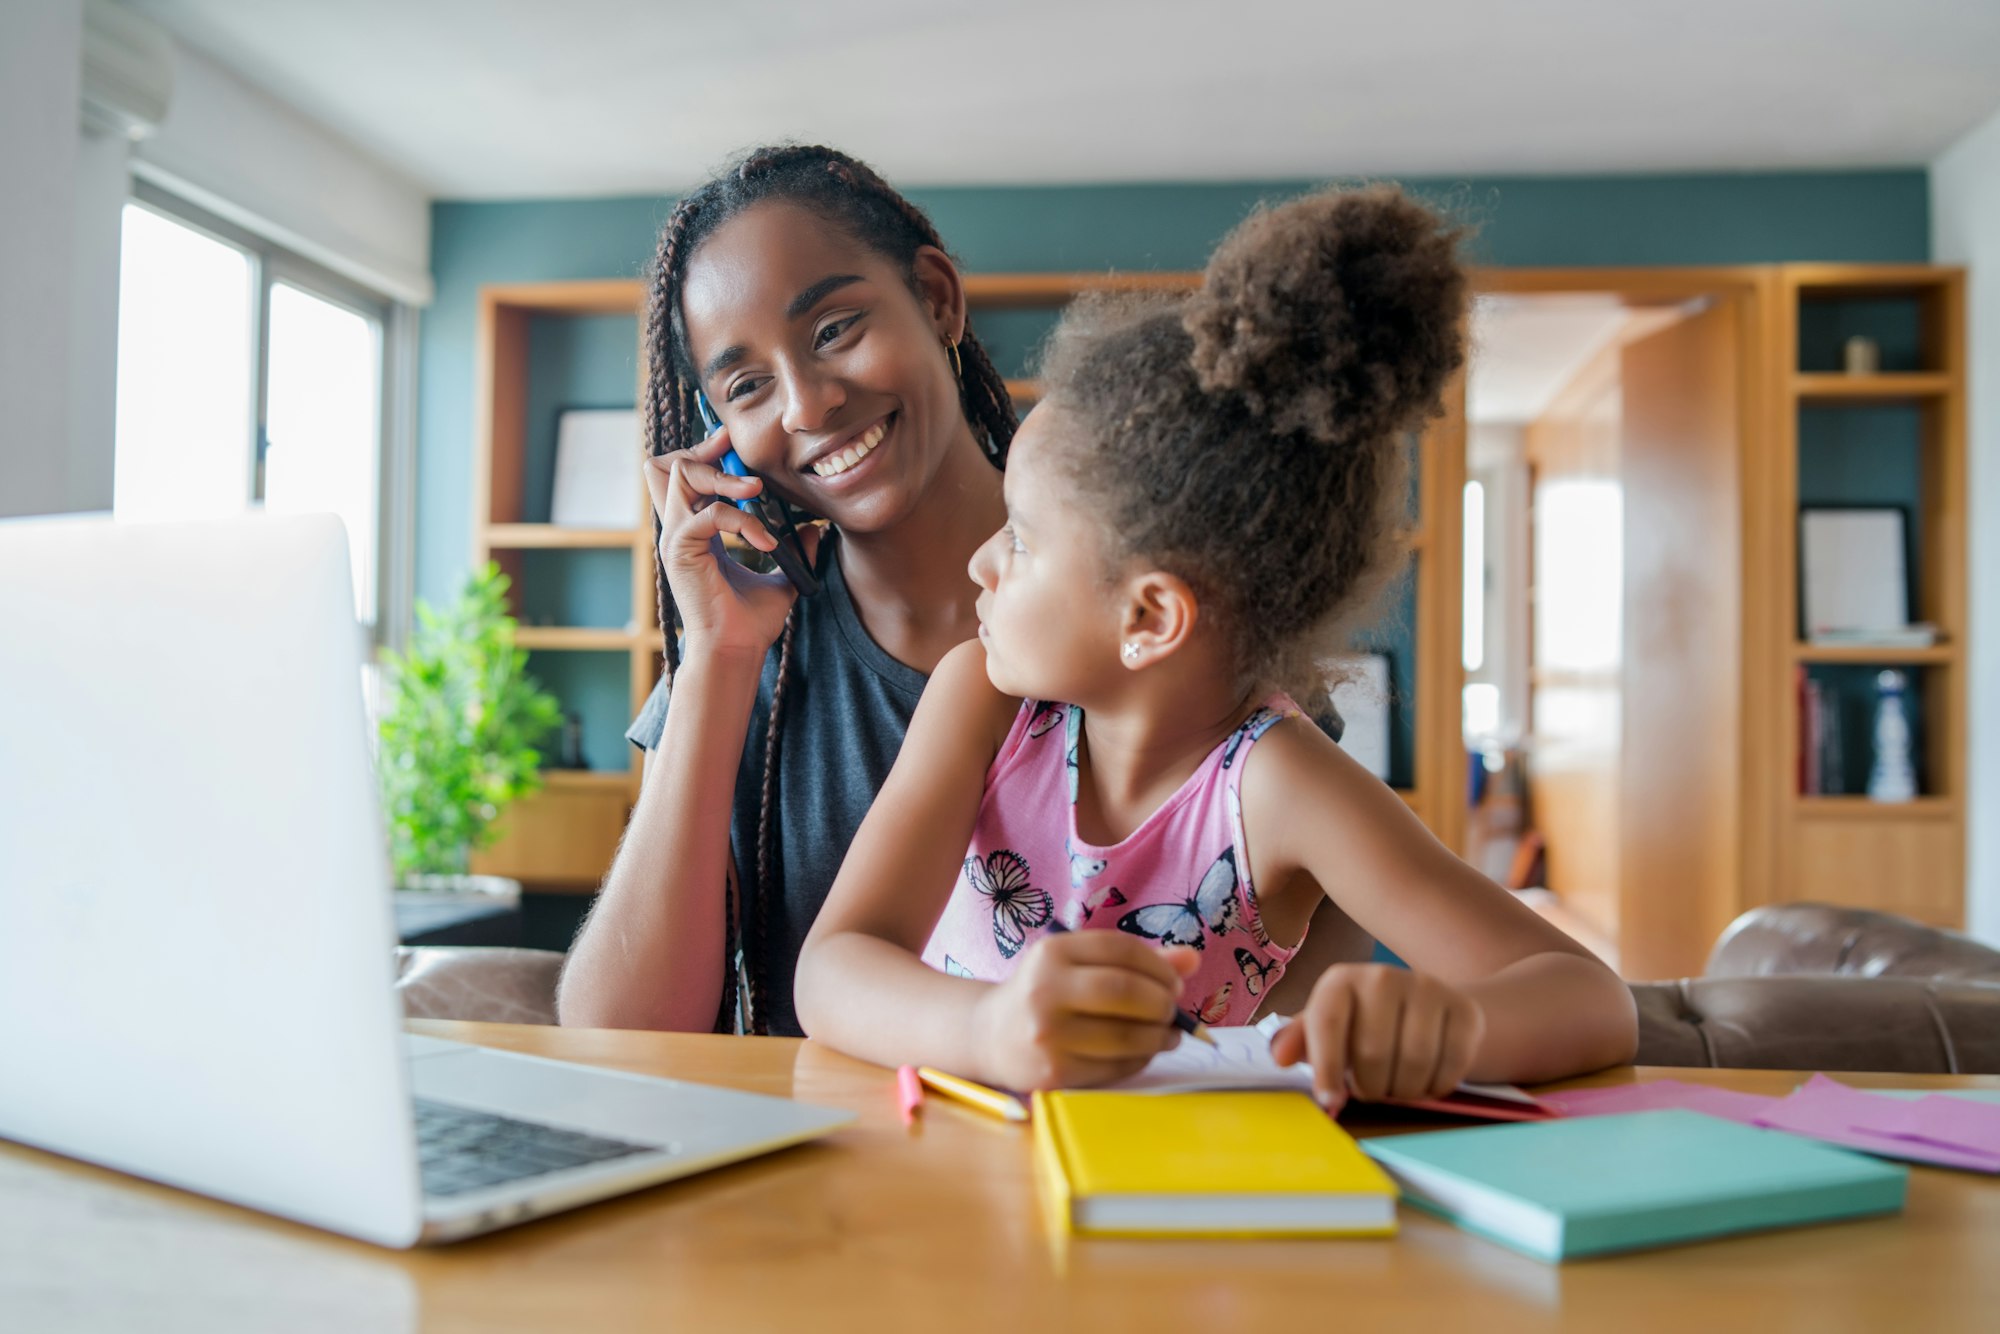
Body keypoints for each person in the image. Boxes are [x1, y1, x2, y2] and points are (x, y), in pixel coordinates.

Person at [794, 186, 1638, 1107]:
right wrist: (986, 1029)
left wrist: (1450, 1023)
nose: (982, 562)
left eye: (1024, 541)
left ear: (1150, 619)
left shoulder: (1280, 785)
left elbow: (1593, 1000)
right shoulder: (982, 703)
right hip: (932, 1173)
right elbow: (832, 970)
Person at [556, 145, 1018, 1036]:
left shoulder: (1149, 603)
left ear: (936, 299)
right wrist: (719, 663)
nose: (806, 406)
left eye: (835, 328)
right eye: (747, 386)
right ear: (719, 437)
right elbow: (623, 1043)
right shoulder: (744, 664)